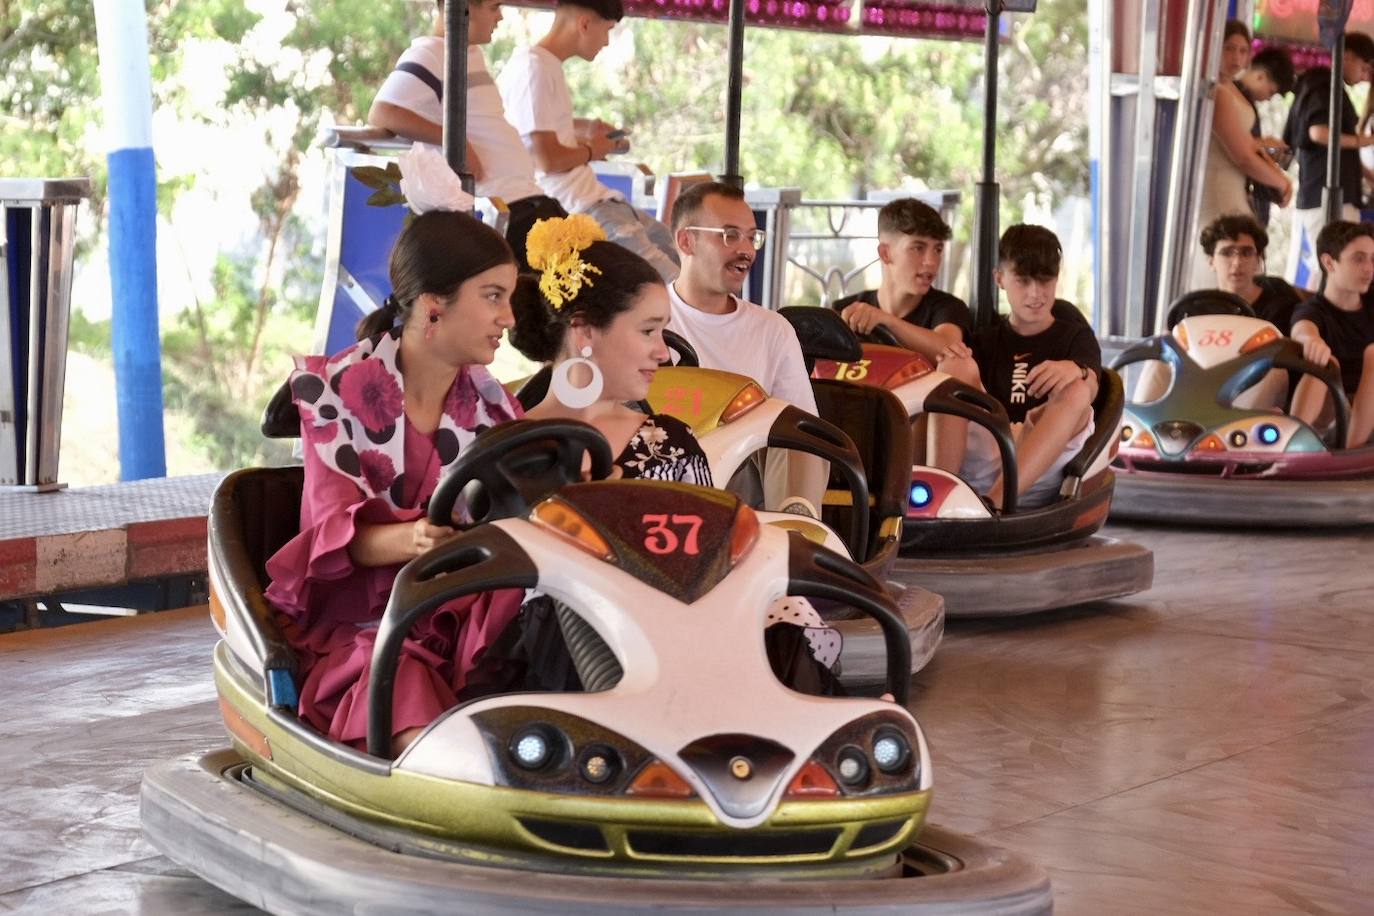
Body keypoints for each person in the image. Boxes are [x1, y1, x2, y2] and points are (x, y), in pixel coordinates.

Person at [509, 214, 843, 691]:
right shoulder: (500, 445)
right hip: (551, 656)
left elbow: (711, 568)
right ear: (584, 332)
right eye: (648, 331)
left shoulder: (670, 444)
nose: (664, 353)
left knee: (788, 620)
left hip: (673, 645)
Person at [264, 210, 527, 756]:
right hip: (363, 627)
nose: (509, 318)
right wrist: (420, 541)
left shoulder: (495, 408)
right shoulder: (333, 393)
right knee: (404, 680)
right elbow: (335, 537)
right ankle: (443, 784)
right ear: (435, 306)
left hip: (460, 621)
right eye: (493, 296)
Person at [368, 0, 567, 270]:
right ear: (466, 6)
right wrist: (455, 142)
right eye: (494, 7)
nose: (500, 17)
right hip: (504, 211)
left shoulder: (470, 53)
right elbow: (384, 112)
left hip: (531, 202)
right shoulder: (430, 53)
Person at [664, 180, 824, 509]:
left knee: (796, 434)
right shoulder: (646, 318)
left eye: (752, 237)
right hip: (664, 464)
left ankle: (793, 537)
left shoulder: (772, 329)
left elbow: (805, 430)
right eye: (730, 235)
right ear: (686, 240)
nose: (747, 250)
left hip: (743, 474)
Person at [497, 0, 680, 281]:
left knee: (681, 260)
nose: (606, 42)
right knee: (669, 282)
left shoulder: (542, 65)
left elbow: (542, 128)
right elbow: (547, 158)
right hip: (580, 207)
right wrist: (594, 149)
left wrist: (589, 129)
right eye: (607, 30)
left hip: (595, 200)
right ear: (584, 24)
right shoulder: (535, 68)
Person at [935, 225, 1100, 509]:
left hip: (1043, 466)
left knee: (1077, 391)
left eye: (1045, 281)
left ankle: (995, 506)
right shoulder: (985, 340)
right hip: (988, 452)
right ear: (1000, 279)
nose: (1036, 294)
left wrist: (1077, 370)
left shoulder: (1075, 335)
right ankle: (940, 493)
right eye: (1023, 281)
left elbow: (1093, 387)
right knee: (954, 368)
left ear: (1057, 279)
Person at [829, 197, 971, 469]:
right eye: (918, 248)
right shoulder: (846, 311)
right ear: (885, 253)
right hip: (855, 436)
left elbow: (949, 347)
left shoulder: (947, 308)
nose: (931, 262)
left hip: (912, 441)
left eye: (938, 250)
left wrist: (888, 322)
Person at [1136, 214, 1300, 408]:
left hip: (1253, 390)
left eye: (1246, 253)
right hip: (1199, 386)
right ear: (1211, 261)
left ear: (1258, 260)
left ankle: (1236, 432)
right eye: (1227, 253)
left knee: (1275, 372)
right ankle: (1136, 432)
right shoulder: (1194, 307)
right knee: (1159, 355)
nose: (1237, 262)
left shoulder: (1279, 302)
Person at [1189, 19, 1292, 289]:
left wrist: (1268, 157)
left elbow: (1248, 146)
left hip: (1233, 189)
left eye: (1243, 50)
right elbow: (1242, 156)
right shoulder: (1217, 91)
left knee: (1238, 273)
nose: (1236, 57)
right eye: (1229, 49)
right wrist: (1280, 182)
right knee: (1223, 273)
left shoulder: (1230, 88)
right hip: (1218, 190)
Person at [1282, 31, 1374, 286]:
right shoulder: (1325, 86)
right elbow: (1318, 133)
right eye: (1364, 68)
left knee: (1324, 266)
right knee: (1331, 268)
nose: (1364, 77)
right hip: (1328, 194)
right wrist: (1362, 141)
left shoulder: (1314, 85)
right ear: (1348, 57)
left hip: (1323, 192)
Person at [1289, 220, 1374, 447]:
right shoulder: (1313, 310)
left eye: (1372, 259)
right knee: (1327, 365)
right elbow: (1303, 330)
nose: (1369, 268)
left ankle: (1351, 449)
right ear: (1329, 262)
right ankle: (1289, 445)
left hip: (1367, 412)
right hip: (1331, 411)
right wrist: (1311, 341)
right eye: (1359, 258)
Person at [1235, 46, 1298, 226]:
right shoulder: (1235, 99)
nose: (1270, 99)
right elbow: (1241, 151)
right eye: (1271, 92)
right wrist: (1281, 182)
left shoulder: (1243, 101)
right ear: (1260, 76)